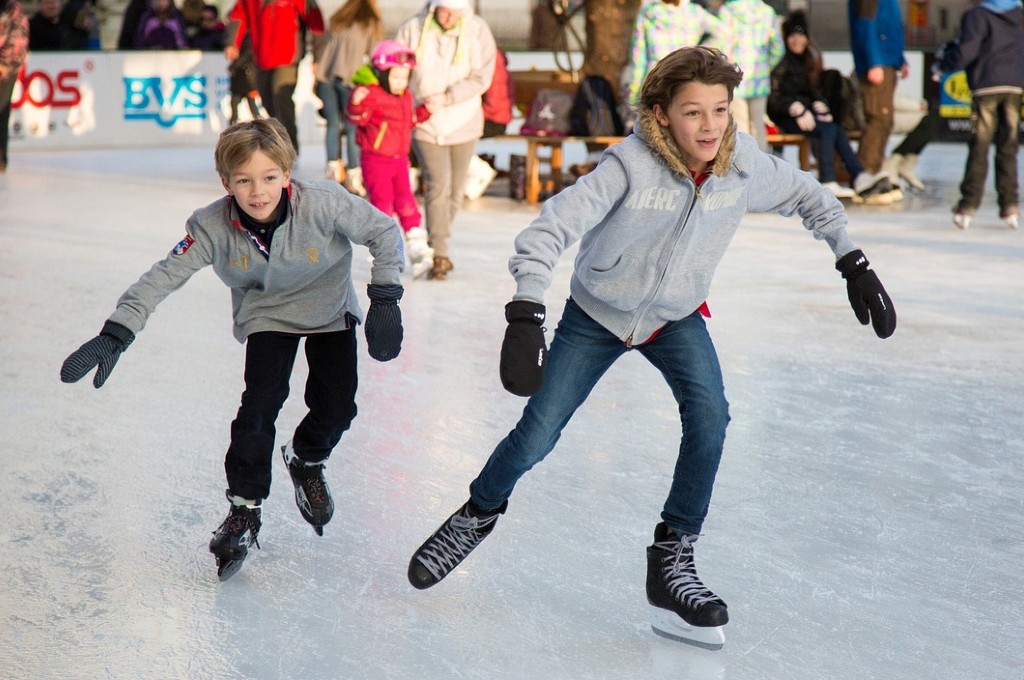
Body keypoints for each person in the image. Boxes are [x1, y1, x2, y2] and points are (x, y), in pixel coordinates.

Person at [406, 46, 897, 650]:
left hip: (675, 317)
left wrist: (852, 259)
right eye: (694, 113)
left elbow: (809, 196)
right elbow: (549, 228)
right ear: (662, 114)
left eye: (720, 110)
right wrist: (527, 312)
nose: (710, 126)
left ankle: (673, 556)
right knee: (537, 434)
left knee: (711, 418)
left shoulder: (740, 165)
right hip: (597, 314)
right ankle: (477, 513)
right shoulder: (628, 165)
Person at [59, 118, 407, 581]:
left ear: (287, 174)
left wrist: (385, 295)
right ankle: (244, 509)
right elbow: (164, 275)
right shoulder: (210, 226)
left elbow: (384, 232)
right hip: (266, 314)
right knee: (258, 408)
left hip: (329, 311)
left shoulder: (323, 202)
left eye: (268, 177)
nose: (257, 191)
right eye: (243, 180)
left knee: (338, 406)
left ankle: (306, 457)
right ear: (226, 182)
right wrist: (118, 330)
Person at [395, 0, 497, 281]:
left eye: (455, 12)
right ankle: (440, 252)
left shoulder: (477, 30)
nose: (449, 17)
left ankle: (436, 238)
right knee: (438, 185)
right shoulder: (413, 28)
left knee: (455, 190)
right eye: (444, 11)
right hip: (425, 121)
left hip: (464, 119)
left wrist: (449, 97)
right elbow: (396, 63)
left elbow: (482, 76)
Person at [767, 11, 891, 201]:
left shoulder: (808, 59)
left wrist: (818, 104)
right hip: (784, 116)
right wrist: (795, 108)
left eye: (801, 35)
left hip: (805, 113)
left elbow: (812, 91)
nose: (796, 40)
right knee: (826, 130)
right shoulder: (781, 61)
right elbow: (774, 98)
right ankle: (827, 180)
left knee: (835, 128)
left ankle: (859, 176)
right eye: (792, 35)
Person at [348, 40, 434, 278]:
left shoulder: (405, 96)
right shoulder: (372, 95)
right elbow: (357, 118)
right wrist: (356, 102)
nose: (400, 83)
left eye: (404, 78)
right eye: (395, 78)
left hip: (399, 161)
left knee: (406, 201)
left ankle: (417, 245)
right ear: (383, 75)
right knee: (383, 204)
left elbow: (410, 121)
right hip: (376, 160)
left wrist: (426, 110)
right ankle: (386, 251)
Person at [938, 0, 1023, 230]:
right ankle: (1010, 204)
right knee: (1009, 145)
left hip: (986, 84)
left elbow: (968, 49)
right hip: (1014, 85)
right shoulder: (1017, 13)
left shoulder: (978, 15)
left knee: (980, 145)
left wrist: (944, 65)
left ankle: (968, 205)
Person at [224, 0, 324, 153]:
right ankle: (278, 141)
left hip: (288, 56)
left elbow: (315, 20)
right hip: (262, 57)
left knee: (281, 96)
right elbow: (239, 14)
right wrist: (232, 42)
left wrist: (318, 55)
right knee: (266, 99)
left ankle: (289, 147)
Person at [313, 0, 382, 193]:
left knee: (333, 125)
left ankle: (333, 171)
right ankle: (353, 175)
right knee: (353, 129)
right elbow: (375, 54)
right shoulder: (369, 23)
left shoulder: (338, 20)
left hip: (326, 78)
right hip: (350, 81)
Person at [848, 0, 908, 204]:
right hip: (877, 63)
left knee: (886, 120)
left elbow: (890, 24)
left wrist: (900, 58)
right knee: (877, 118)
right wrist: (873, 61)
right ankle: (865, 177)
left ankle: (876, 172)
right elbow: (866, 24)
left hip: (887, 60)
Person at [624, 0, 724, 110]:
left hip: (656, 76)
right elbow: (723, 32)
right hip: (686, 74)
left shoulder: (648, 13)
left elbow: (638, 58)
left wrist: (633, 91)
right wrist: (698, 52)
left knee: (653, 122)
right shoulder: (695, 12)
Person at [717, 0, 784, 152]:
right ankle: (762, 172)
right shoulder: (767, 11)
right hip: (759, 78)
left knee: (739, 128)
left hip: (735, 79)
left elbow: (722, 46)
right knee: (758, 128)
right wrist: (766, 67)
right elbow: (778, 48)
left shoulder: (727, 11)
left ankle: (741, 171)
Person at [0, 0, 28, 174]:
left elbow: (17, 39)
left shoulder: (13, 9)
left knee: (1, 111)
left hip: (6, 69)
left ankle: (1, 157)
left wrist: (3, 63)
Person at [228, 35, 260, 124]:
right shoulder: (237, 40)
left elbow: (247, 55)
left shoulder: (247, 40)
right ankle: (231, 132)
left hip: (249, 82)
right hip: (238, 83)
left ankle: (263, 130)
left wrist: (234, 65)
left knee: (253, 109)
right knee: (234, 110)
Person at [482, 47, 513, 137]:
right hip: (495, 120)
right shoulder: (496, 62)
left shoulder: (493, 65)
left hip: (494, 122)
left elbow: (493, 103)